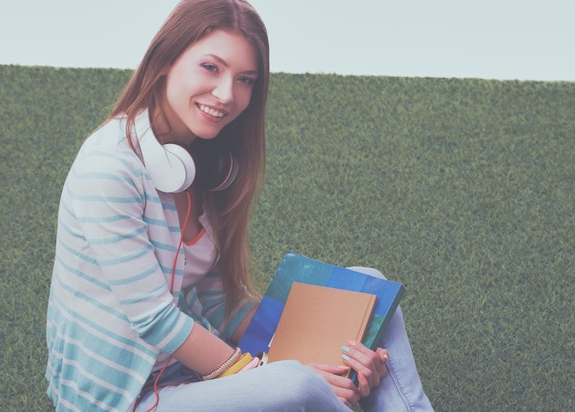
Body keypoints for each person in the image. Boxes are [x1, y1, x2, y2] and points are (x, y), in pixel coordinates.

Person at [45, 0, 433, 411]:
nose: (227, 94)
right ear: (165, 60)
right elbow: (155, 319)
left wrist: (340, 359)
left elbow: (221, 304)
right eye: (210, 67)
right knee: (298, 385)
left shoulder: (204, 163)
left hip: (193, 375)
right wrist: (273, 373)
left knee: (365, 290)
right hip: (125, 398)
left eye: (245, 79)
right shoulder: (108, 167)